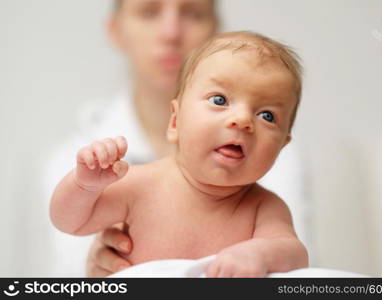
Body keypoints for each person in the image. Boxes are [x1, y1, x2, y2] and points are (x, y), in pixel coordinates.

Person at [43, 0, 309, 277]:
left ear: (281, 147)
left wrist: (260, 253)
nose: (243, 121)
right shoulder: (140, 184)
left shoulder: (263, 207)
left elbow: (294, 253)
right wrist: (84, 185)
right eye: (220, 100)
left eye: (267, 116)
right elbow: (69, 222)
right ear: (175, 121)